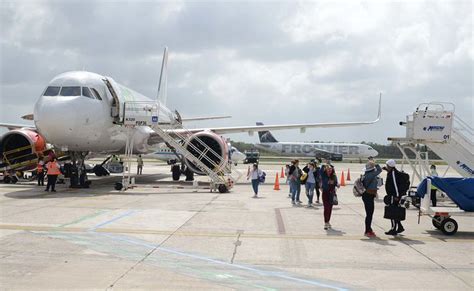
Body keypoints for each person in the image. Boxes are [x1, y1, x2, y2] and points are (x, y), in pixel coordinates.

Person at [384, 159, 409, 235]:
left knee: (392, 212)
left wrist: (397, 196)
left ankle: (393, 229)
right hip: (393, 196)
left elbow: (395, 185)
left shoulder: (393, 174)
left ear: (389, 166)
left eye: (387, 166)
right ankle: (400, 227)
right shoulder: (392, 172)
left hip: (394, 196)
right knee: (394, 211)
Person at [361, 160, 382, 237]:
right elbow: (379, 169)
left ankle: (369, 229)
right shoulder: (372, 174)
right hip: (369, 196)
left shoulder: (366, 174)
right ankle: (367, 230)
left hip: (367, 195)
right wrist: (375, 163)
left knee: (369, 214)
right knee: (369, 214)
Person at [319, 164, 339, 229]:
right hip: (325, 193)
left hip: (332, 194)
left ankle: (328, 221)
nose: (329, 170)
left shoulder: (334, 176)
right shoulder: (323, 175)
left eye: (330, 169)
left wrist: (337, 185)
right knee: (326, 208)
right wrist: (324, 165)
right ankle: (325, 222)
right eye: (328, 169)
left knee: (330, 208)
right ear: (326, 169)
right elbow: (320, 171)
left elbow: (336, 183)